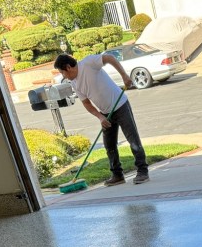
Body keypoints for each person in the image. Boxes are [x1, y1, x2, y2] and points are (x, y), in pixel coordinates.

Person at [54, 53, 149, 186]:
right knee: (109, 145)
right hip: (105, 113)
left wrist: (124, 75)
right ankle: (117, 175)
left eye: (62, 72)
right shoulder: (75, 83)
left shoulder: (88, 63)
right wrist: (100, 117)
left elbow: (110, 58)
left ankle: (142, 171)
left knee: (133, 140)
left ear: (68, 67)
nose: (63, 76)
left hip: (120, 105)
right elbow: (86, 103)